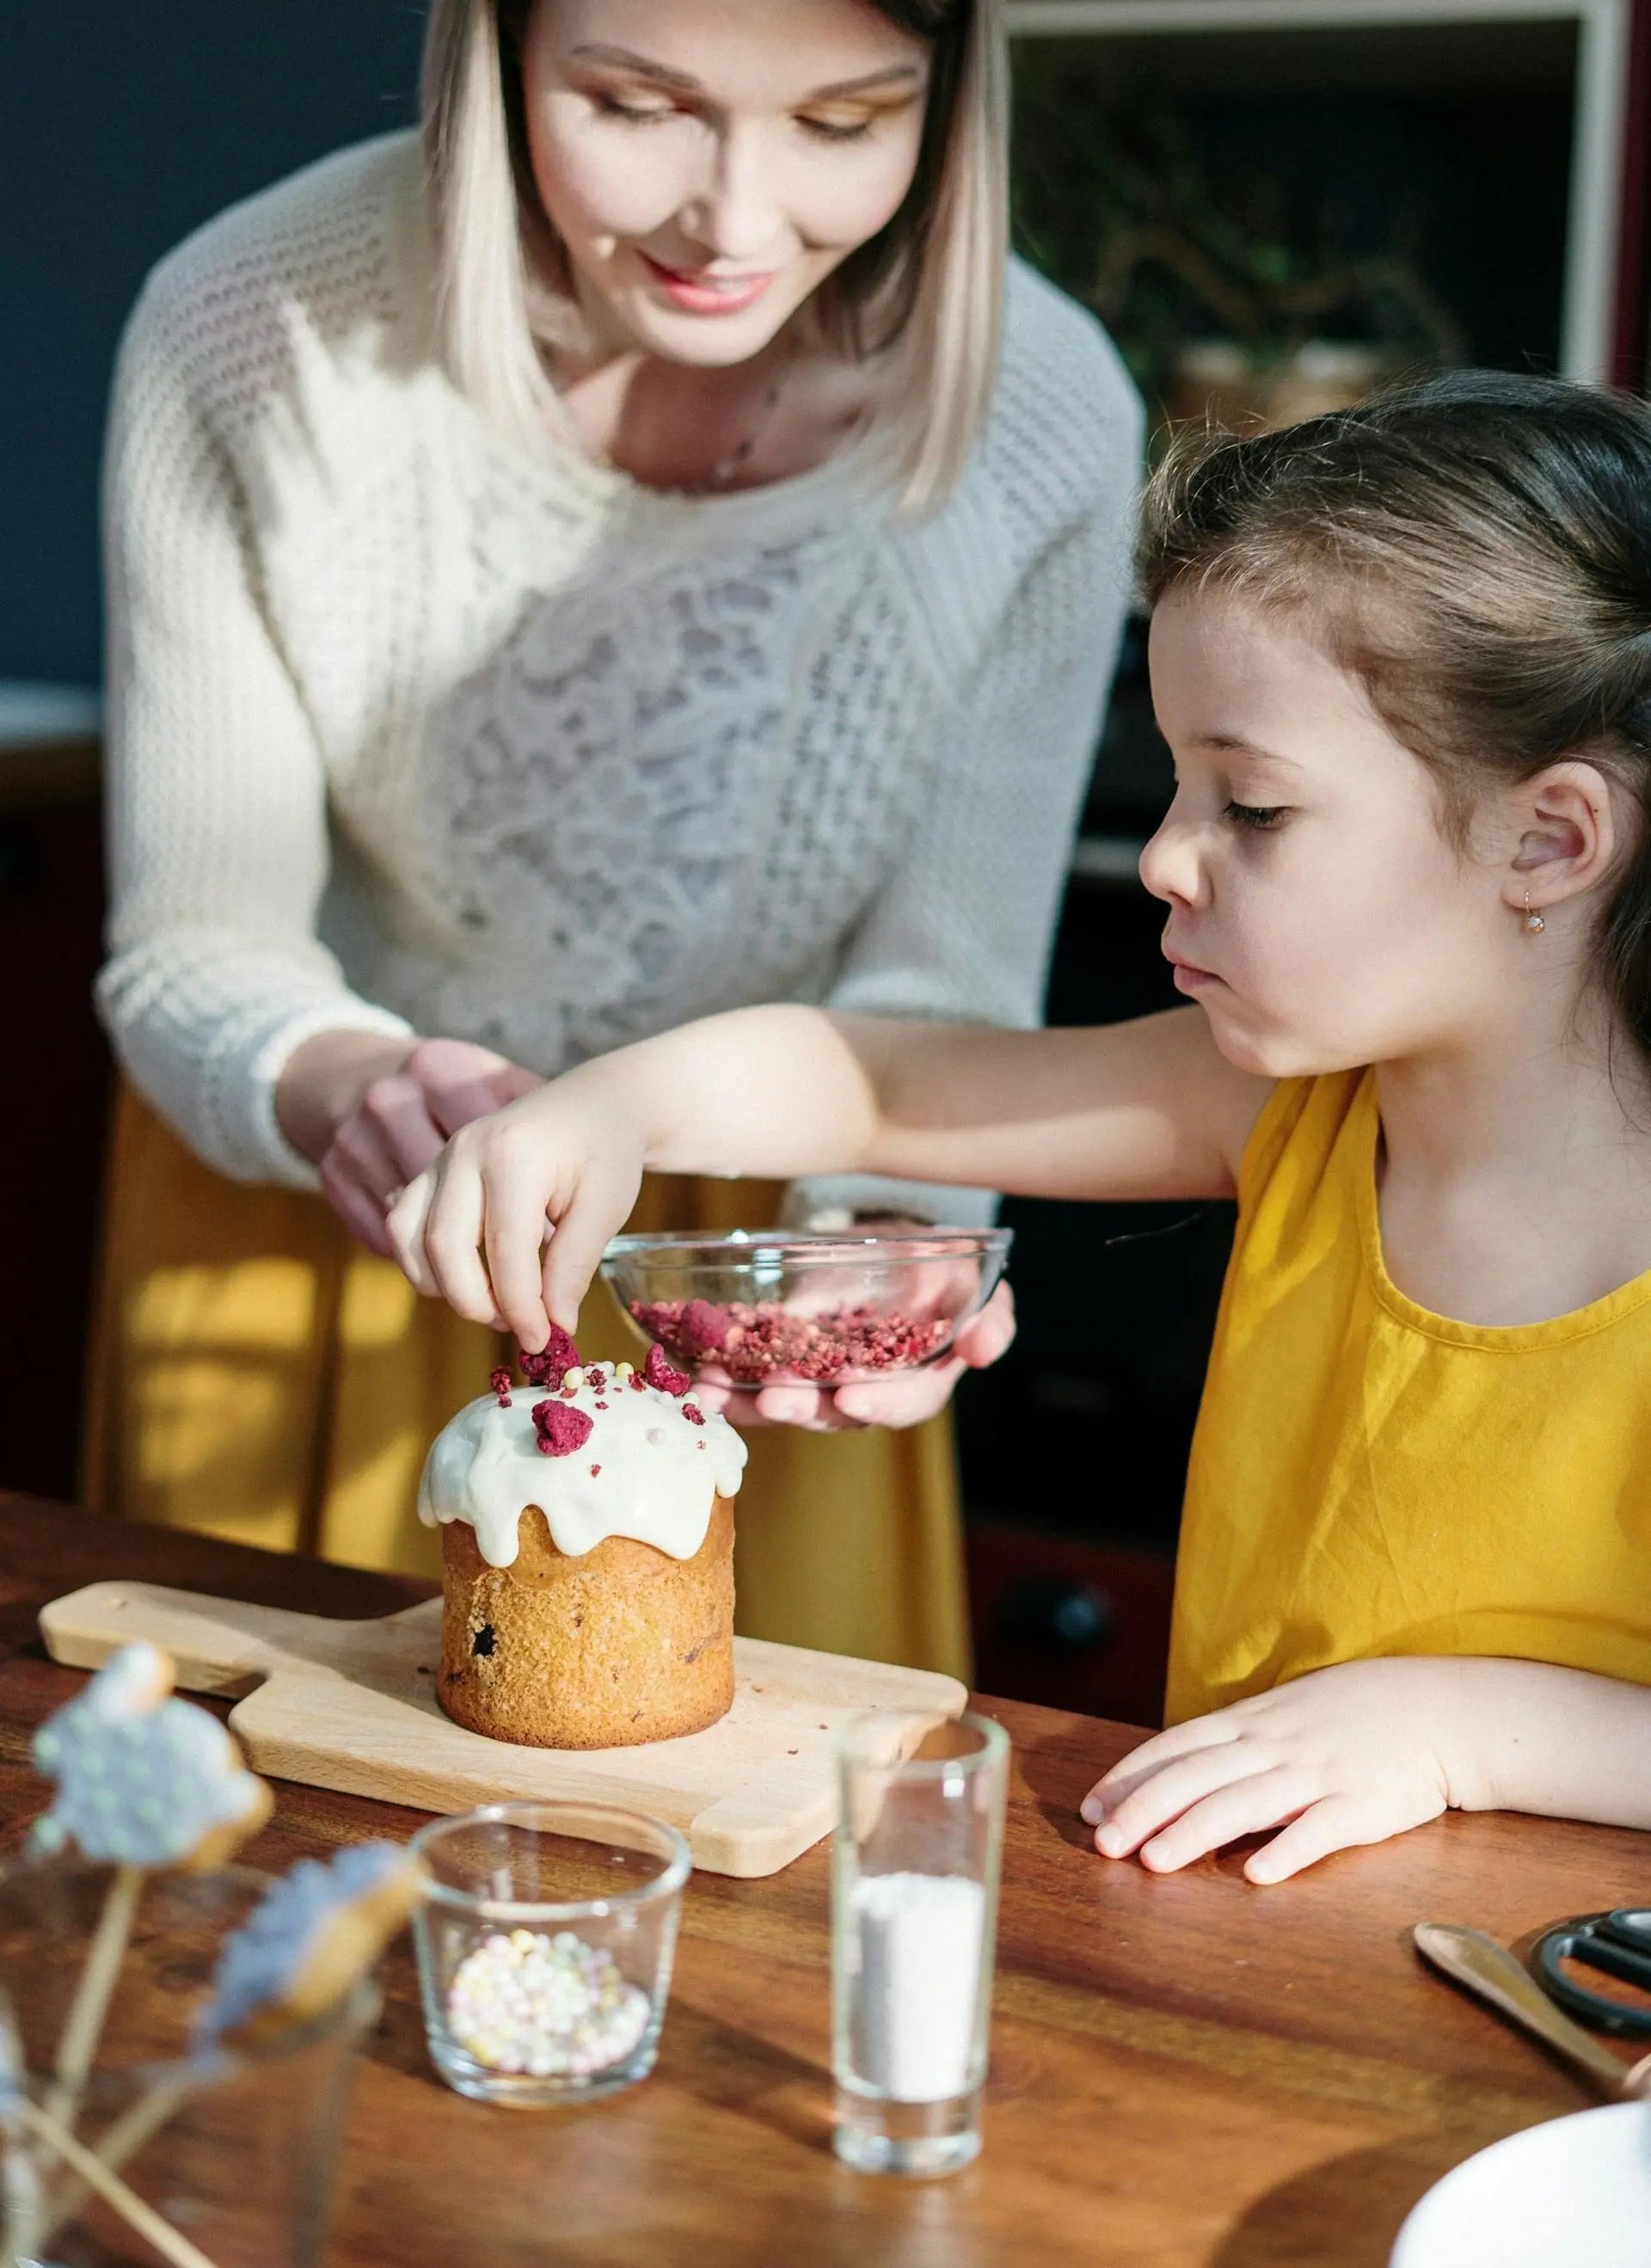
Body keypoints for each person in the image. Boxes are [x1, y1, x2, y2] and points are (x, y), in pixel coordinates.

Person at [389, 369, 1651, 1879]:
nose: (1167, 858)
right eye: (1180, 783)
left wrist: (1454, 1731)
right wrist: (616, 1101)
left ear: (1549, 837)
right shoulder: (1286, 1111)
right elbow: (885, 1087)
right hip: (1262, 1945)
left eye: (1251, 808)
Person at [87, 0, 1142, 1676]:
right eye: (637, 104)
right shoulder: (249, 322)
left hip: (737, 1261)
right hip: (336, 1206)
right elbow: (191, 946)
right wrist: (340, 1076)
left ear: (950, 97)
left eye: (848, 119)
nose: (733, 218)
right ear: (493, 47)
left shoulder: (1044, 410)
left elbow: (946, 988)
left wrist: (874, 1240)